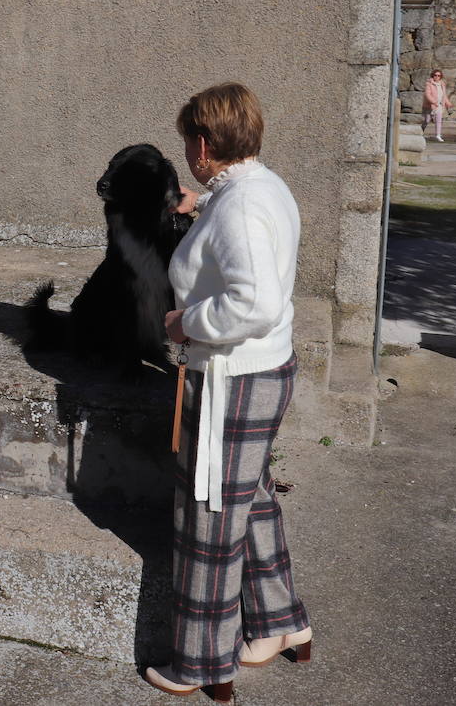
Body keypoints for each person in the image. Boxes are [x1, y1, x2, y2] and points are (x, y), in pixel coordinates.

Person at [142, 83, 311, 703]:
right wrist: (201, 207)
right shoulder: (257, 188)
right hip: (264, 373)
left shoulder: (238, 206)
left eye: (189, 139)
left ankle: (203, 665)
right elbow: (241, 243)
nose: (187, 150)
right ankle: (280, 624)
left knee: (209, 517)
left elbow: (256, 301)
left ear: (205, 144)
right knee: (253, 500)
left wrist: (186, 322)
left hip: (235, 380)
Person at [422, 69, 452, 142]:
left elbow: (444, 95)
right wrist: (433, 102)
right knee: (427, 120)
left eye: (439, 75)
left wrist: (448, 103)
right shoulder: (429, 84)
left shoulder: (442, 84)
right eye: (435, 75)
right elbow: (427, 95)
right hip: (430, 105)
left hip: (439, 105)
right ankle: (421, 131)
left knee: (438, 121)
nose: (437, 77)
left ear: (440, 77)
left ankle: (438, 135)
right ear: (433, 75)